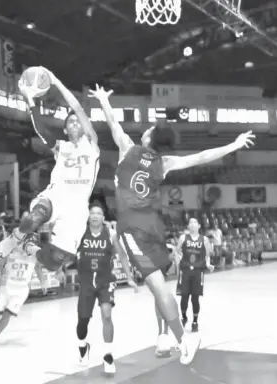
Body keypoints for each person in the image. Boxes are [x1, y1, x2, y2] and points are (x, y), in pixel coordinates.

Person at [89, 84, 255, 365]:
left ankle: (181, 341)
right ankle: (167, 336)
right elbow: (202, 156)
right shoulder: (164, 162)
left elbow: (113, 122)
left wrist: (104, 100)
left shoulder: (127, 148)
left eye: (151, 128)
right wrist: (235, 145)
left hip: (132, 229)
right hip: (155, 225)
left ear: (149, 136)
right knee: (162, 286)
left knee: (158, 288)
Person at [0, 66, 100, 275]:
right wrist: (29, 99)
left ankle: (27, 246)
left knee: (55, 262)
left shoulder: (92, 143)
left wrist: (55, 81)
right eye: (70, 122)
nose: (76, 123)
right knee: (33, 219)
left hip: (77, 209)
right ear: (65, 129)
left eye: (78, 122)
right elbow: (41, 130)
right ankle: (16, 236)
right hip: (56, 196)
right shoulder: (61, 147)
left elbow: (78, 108)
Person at [76, 202, 138, 374]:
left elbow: (123, 256)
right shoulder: (81, 233)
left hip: (105, 281)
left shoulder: (110, 234)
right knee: (83, 320)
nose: (95, 215)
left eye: (99, 213)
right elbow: (67, 252)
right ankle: (83, 346)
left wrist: (130, 278)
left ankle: (108, 356)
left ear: (103, 218)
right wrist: (59, 269)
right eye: (92, 213)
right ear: (88, 217)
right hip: (87, 282)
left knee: (106, 314)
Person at [0, 234, 44, 348]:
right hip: (6, 287)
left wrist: (43, 282)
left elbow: (38, 268)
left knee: (7, 314)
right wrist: (0, 276)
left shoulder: (35, 256)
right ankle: (1, 311)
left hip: (21, 290)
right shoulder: (10, 251)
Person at [175, 218, 214, 333]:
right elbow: (177, 251)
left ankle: (195, 321)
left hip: (198, 271)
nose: (192, 224)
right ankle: (183, 317)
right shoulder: (183, 238)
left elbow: (207, 254)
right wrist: (177, 260)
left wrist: (208, 264)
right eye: (190, 223)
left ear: (199, 226)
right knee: (184, 296)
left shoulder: (204, 240)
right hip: (185, 270)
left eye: (195, 222)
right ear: (188, 226)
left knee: (195, 297)